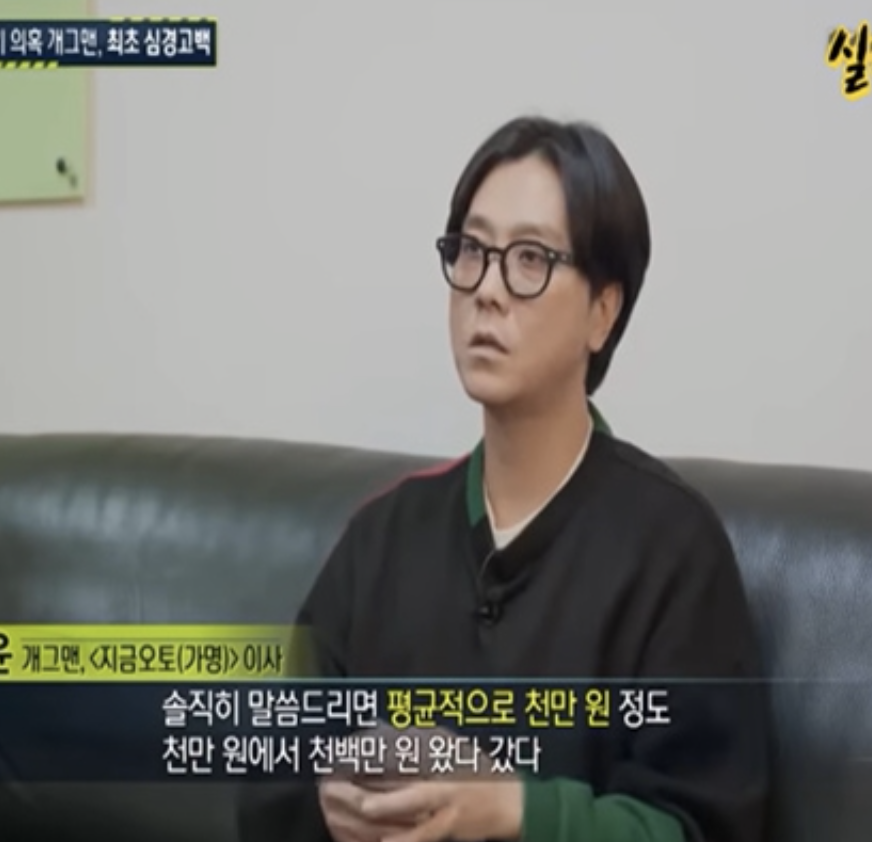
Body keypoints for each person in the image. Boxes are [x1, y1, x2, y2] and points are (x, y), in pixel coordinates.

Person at [239, 116, 771, 842]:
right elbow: (271, 776)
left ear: (603, 312)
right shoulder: (383, 535)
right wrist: (330, 801)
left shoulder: (672, 548)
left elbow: (702, 825)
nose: (487, 290)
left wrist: (512, 809)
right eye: (472, 251)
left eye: (529, 259)